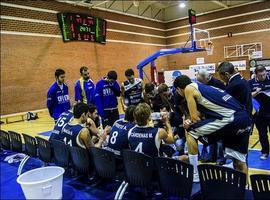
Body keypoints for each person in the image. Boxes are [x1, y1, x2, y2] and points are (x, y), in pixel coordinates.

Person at [174, 75, 251, 182]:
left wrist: (188, 123)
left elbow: (195, 119)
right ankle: (245, 189)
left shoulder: (188, 89)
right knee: (239, 162)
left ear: (178, 89)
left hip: (231, 119)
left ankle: (195, 174)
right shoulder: (204, 88)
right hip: (244, 118)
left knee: (191, 132)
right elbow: (202, 114)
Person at [248, 65, 270, 160]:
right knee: (262, 134)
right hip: (259, 115)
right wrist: (256, 92)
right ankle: (265, 152)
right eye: (260, 75)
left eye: (264, 74)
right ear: (255, 74)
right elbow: (248, 96)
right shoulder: (250, 83)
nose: (263, 77)